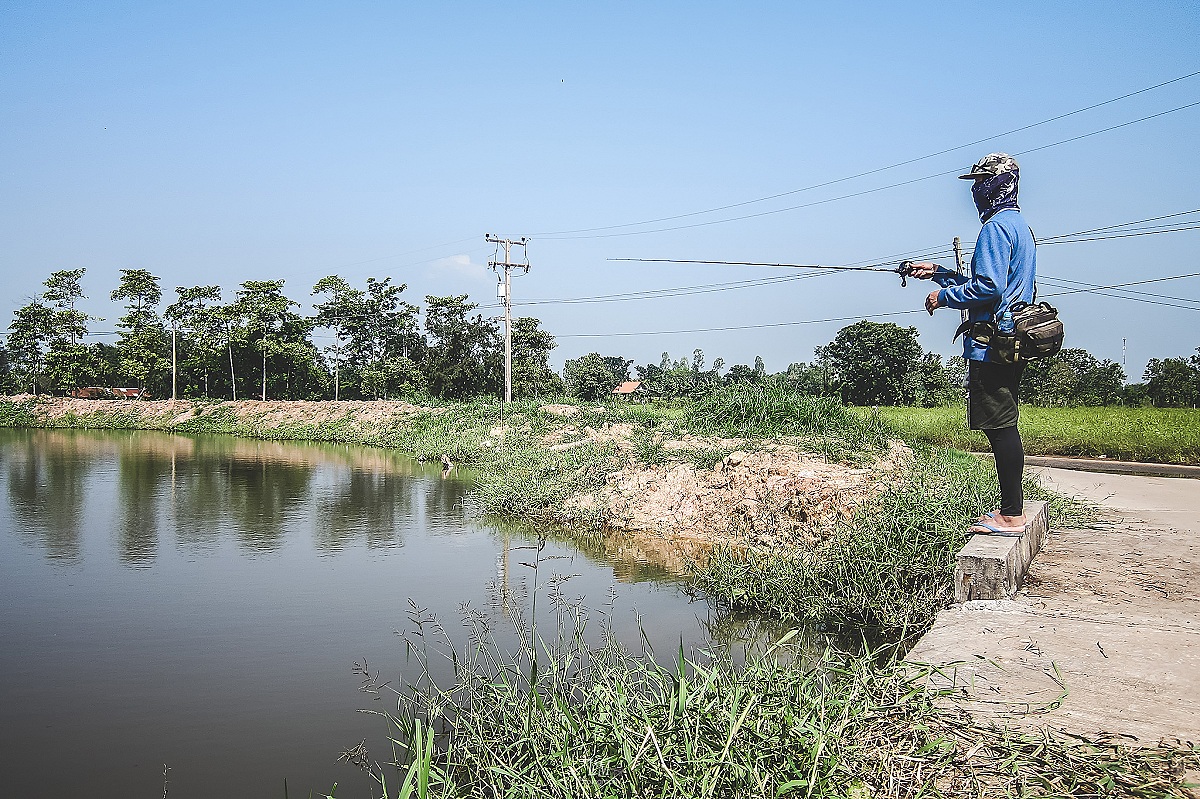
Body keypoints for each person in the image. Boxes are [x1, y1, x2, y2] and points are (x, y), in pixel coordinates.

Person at [907, 152, 1036, 534]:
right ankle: (1011, 509)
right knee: (1005, 424)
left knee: (1001, 427)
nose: (977, 189)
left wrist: (941, 297)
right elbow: (998, 283)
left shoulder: (995, 228)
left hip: (992, 343)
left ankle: (1011, 514)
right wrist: (940, 274)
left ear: (999, 183)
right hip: (1012, 338)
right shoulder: (1019, 226)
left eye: (982, 181)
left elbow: (989, 288)